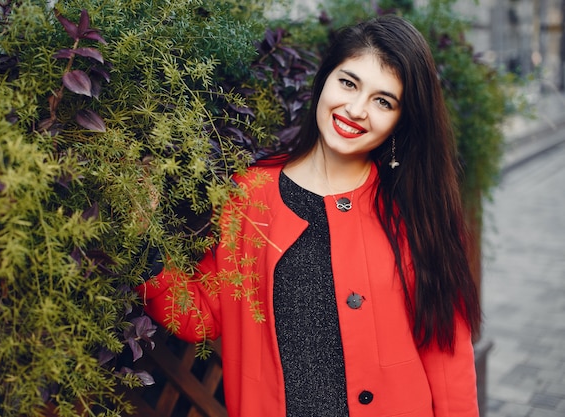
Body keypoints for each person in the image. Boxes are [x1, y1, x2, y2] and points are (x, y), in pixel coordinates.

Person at [137, 14, 481, 417]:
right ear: (324, 79)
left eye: (383, 101)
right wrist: (144, 240)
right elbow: (203, 315)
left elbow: (448, 358)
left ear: (401, 121)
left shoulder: (418, 211)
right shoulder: (250, 194)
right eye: (348, 83)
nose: (355, 109)